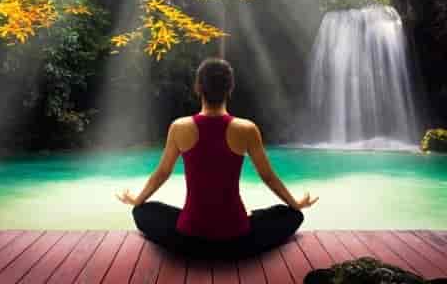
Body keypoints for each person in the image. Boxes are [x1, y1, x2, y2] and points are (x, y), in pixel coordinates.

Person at [115, 57, 319, 260]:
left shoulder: (179, 127)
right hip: (236, 239)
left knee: (142, 212)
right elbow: (268, 177)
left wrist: (137, 200)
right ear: (230, 88)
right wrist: (295, 203)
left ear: (198, 88)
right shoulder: (247, 129)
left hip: (189, 239)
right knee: (292, 215)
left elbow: (162, 174)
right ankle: (252, 218)